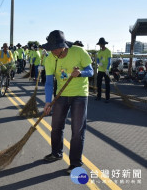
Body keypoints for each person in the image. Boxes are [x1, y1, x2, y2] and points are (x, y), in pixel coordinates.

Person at [42, 30, 93, 174]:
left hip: (79, 95)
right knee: (56, 126)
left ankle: (75, 163)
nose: (52, 51)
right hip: (61, 95)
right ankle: (56, 153)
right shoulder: (50, 58)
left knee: (77, 130)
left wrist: (81, 73)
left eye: (55, 48)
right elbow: (49, 83)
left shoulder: (79, 52)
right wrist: (47, 102)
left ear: (63, 46)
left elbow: (91, 71)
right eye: (50, 48)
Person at [96, 37, 112, 103]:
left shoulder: (108, 51)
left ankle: (107, 98)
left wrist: (107, 69)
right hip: (100, 69)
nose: (101, 45)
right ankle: (98, 96)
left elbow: (109, 61)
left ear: (104, 44)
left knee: (107, 84)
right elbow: (97, 59)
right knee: (98, 83)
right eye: (100, 44)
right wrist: (98, 62)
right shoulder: (99, 52)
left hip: (106, 70)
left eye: (102, 44)